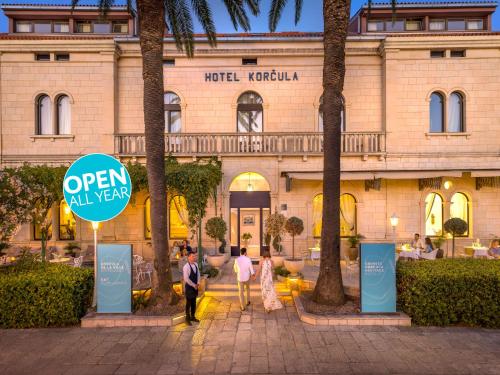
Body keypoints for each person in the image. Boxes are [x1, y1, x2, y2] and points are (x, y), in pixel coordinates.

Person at [182, 250, 200, 325]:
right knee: (188, 303)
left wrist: (198, 283)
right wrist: (194, 285)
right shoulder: (186, 267)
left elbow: (198, 274)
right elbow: (186, 279)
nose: (194, 257)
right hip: (189, 288)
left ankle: (193, 316)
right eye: (192, 256)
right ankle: (187, 318)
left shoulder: (196, 264)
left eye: (194, 256)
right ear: (188, 257)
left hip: (195, 287)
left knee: (194, 303)